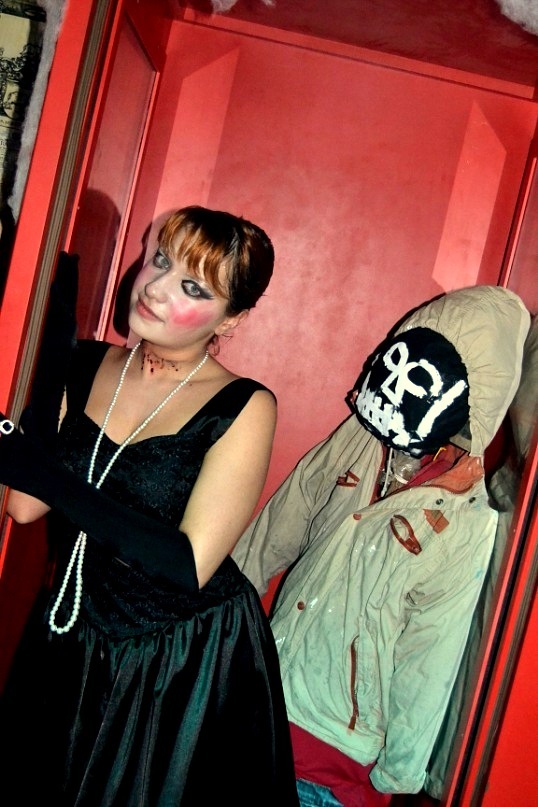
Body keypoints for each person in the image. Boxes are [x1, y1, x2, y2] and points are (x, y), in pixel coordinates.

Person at [0, 205, 299, 806]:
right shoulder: (85, 363)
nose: (156, 288)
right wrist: (53, 354)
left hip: (179, 658)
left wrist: (45, 473)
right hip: (72, 632)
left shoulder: (243, 405)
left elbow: (189, 563)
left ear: (233, 318)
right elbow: (25, 506)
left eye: (193, 287)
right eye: (160, 260)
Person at [232, 285, 530, 806]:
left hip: (337, 762)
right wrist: (213, 605)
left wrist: (400, 771)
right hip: (256, 712)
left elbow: (431, 649)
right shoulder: (365, 436)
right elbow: (289, 514)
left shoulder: (466, 518)